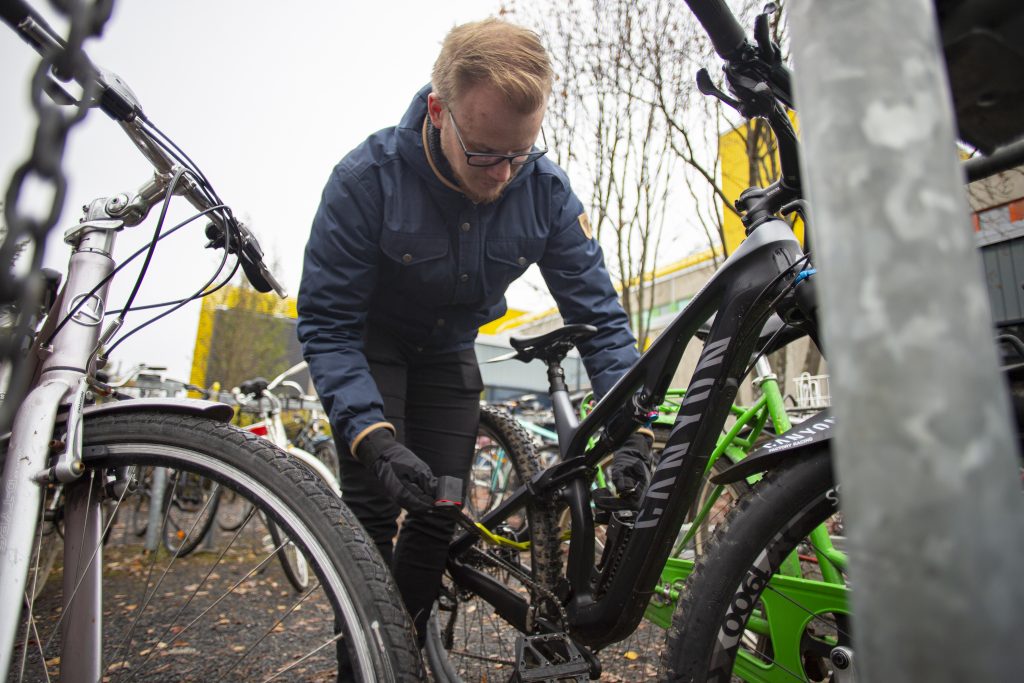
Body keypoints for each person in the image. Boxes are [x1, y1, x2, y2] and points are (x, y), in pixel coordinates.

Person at [297, 17, 653, 644]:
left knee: (440, 511)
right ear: (438, 111)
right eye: (485, 153)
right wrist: (371, 437)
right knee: (373, 515)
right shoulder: (365, 182)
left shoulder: (544, 191)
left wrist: (631, 428)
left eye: (521, 152)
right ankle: (363, 662)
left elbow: (598, 319)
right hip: (370, 343)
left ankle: (400, 650)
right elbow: (328, 325)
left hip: (448, 349)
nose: (503, 174)